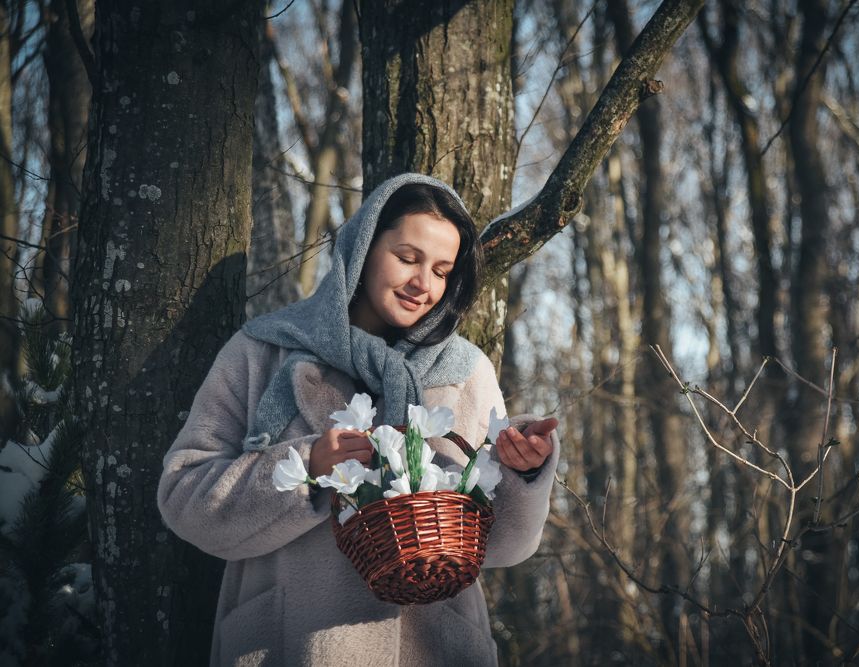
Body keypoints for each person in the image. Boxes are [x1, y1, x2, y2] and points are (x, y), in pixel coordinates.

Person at [157, 173, 559, 666]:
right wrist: (306, 468)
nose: (422, 284)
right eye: (407, 258)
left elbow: (501, 547)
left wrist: (521, 472)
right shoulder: (262, 352)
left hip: (432, 649)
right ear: (364, 248)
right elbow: (183, 498)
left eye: (441, 270)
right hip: (290, 645)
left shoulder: (465, 372)